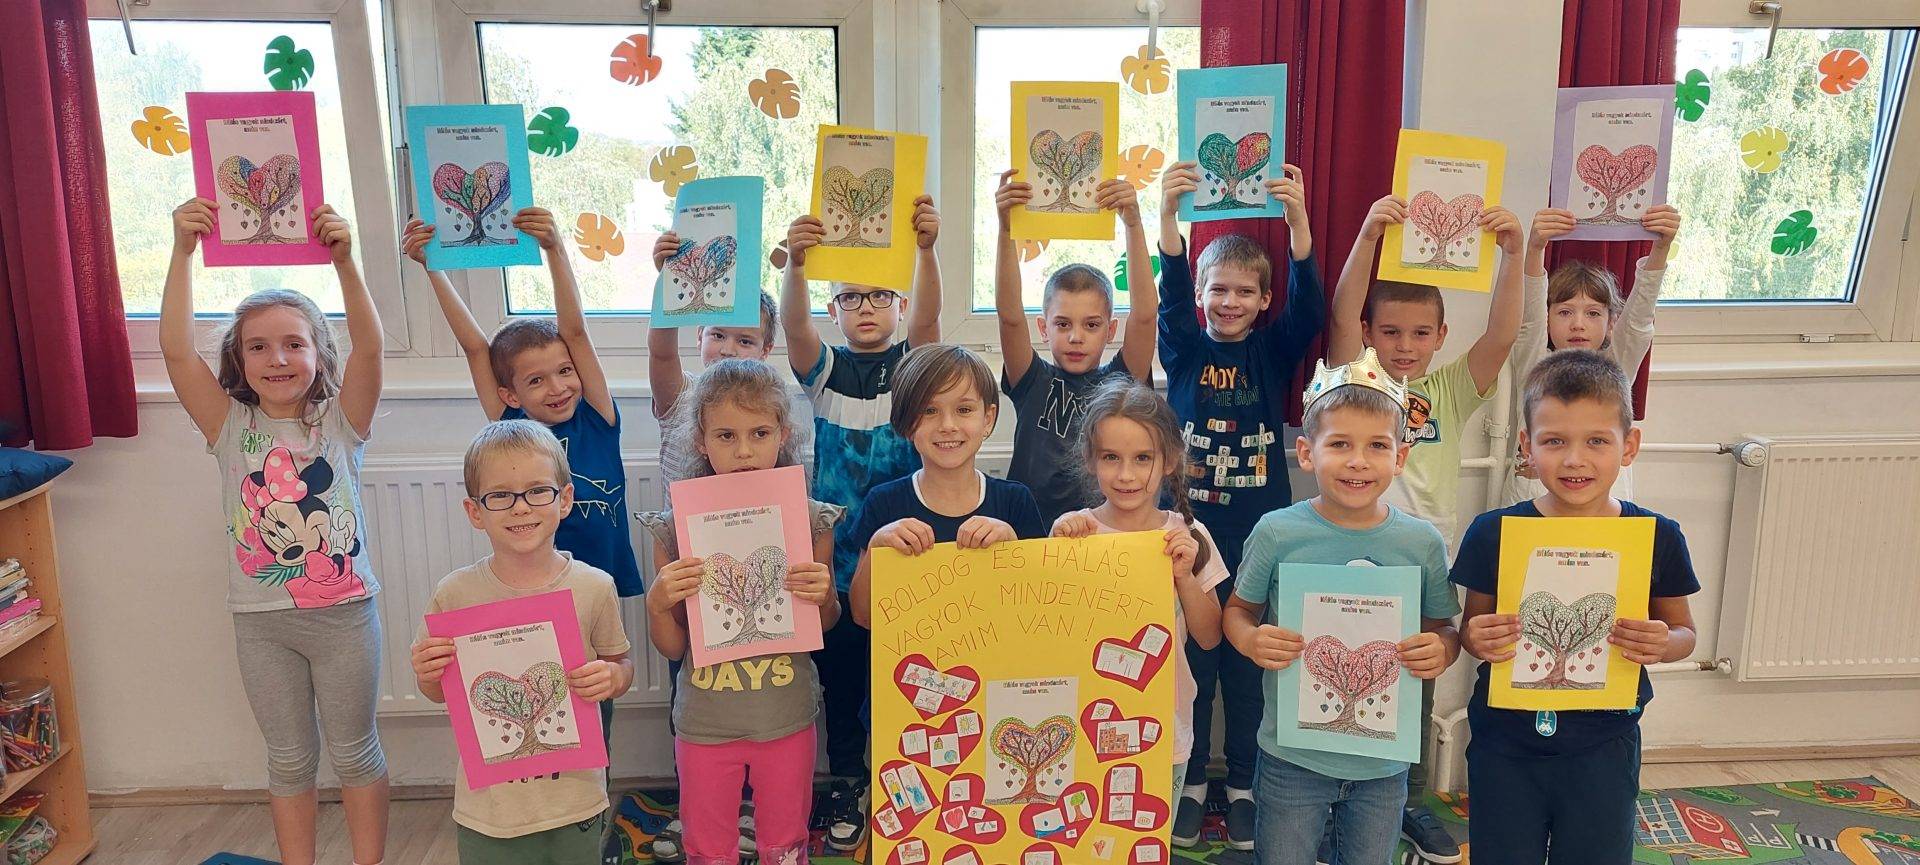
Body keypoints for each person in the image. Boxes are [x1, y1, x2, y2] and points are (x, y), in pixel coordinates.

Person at [162, 198, 390, 865]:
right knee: (289, 759)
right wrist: (181, 252)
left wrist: (346, 263)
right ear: (239, 361)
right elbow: (175, 351)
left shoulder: (341, 422)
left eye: (294, 343)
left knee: (355, 751)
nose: (277, 357)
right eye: (258, 346)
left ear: (319, 352)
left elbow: (371, 346)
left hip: (344, 616)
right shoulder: (229, 426)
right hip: (261, 624)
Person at [1325, 193, 1526, 861]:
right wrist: (1368, 234)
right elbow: (1341, 314)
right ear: (1370, 334)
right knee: (1335, 667)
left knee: (1412, 681)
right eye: (1390, 332)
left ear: (1440, 337)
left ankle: (1405, 799)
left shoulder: (1449, 390)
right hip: (1346, 558)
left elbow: (1501, 337)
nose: (1404, 346)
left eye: (1419, 334)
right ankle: (1331, 799)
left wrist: (1513, 255)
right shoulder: (1356, 382)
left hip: (1421, 566)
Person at [1454, 350, 1699, 865]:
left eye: (1596, 441)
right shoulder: (1493, 532)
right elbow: (1473, 629)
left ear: (1628, 446)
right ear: (1527, 446)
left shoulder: (1657, 536)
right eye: (1554, 441)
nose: (1574, 459)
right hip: (1505, 740)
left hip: (1603, 742)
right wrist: (1477, 637)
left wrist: (1663, 642)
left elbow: (1684, 634)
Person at [1224, 349, 1461, 865]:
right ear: (1307, 453)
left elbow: (1444, 629)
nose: (1358, 461)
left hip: (1382, 764)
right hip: (1292, 756)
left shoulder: (1420, 542)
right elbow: (1238, 612)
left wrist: (1441, 649)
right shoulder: (1277, 531)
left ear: (1400, 457)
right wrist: (1250, 639)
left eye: (1377, 445)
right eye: (1340, 444)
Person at [1156, 159, 1324, 850]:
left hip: (1260, 537)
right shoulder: (1183, 347)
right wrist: (1167, 217)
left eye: (1245, 291)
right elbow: (1168, 297)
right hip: (1189, 536)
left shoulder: (1274, 352)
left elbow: (1310, 312)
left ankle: (1247, 783)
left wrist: (1298, 220)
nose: (1230, 301)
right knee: (1194, 668)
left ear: (1263, 300)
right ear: (1201, 293)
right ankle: (1193, 781)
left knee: (1248, 669)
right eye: (1218, 288)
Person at [781, 195, 945, 851]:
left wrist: (926, 250)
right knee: (844, 681)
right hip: (839, 565)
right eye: (851, 298)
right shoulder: (825, 372)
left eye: (880, 296)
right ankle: (850, 779)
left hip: (911, 559)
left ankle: (905, 779)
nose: (866, 307)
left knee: (907, 680)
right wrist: (797, 265)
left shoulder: (913, 368)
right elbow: (793, 326)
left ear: (898, 305)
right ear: (835, 310)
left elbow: (930, 318)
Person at [638, 361, 841, 865]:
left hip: (784, 716)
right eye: (726, 435)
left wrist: (825, 596)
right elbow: (673, 645)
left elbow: (825, 624)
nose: (744, 450)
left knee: (785, 844)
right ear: (701, 441)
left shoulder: (810, 520)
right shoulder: (676, 528)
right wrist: (658, 603)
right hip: (706, 721)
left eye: (760, 433)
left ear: (783, 434)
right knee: (708, 848)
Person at [411, 420, 634, 864]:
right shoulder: (454, 595)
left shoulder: (594, 587)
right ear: (475, 511)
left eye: (537, 491)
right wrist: (427, 672)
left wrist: (612, 677)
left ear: (564, 499)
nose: (520, 508)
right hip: (489, 811)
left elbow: (621, 663)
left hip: (575, 802)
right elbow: (438, 691)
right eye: (500, 496)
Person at [1048, 378, 1225, 810]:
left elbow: (1209, 638)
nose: (1126, 475)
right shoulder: (1075, 532)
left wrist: (1185, 577)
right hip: (1082, 721)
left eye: (1143, 458)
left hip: (1162, 724)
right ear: (1091, 459)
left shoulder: (1190, 535)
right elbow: (1048, 634)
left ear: (1170, 460)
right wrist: (1056, 548)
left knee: (1149, 831)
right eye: (1111, 457)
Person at [992, 169, 1156, 524]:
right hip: (1029, 530)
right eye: (1063, 324)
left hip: (1102, 531)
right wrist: (1006, 230)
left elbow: (1145, 315)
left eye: (1091, 325)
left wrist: (1133, 223)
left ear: (1111, 330)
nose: (1076, 337)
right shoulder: (1031, 379)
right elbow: (1009, 316)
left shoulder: (1121, 381)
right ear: (1044, 328)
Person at [848, 344, 1047, 627]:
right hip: (911, 655)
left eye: (964, 409)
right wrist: (877, 544)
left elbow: (1040, 608)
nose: (948, 425)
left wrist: (1013, 548)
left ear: (987, 419)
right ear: (907, 422)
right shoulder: (883, 503)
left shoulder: (1015, 501)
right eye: (929, 410)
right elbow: (863, 615)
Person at [1501, 205, 1681, 504]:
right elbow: (1529, 318)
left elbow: (1637, 323)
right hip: (1531, 507)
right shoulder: (1535, 364)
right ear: (1548, 318)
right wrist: (1535, 249)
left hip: (1603, 512)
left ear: (1611, 323)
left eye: (1593, 313)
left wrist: (1660, 249)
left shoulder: (1616, 368)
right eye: (1565, 312)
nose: (1578, 324)